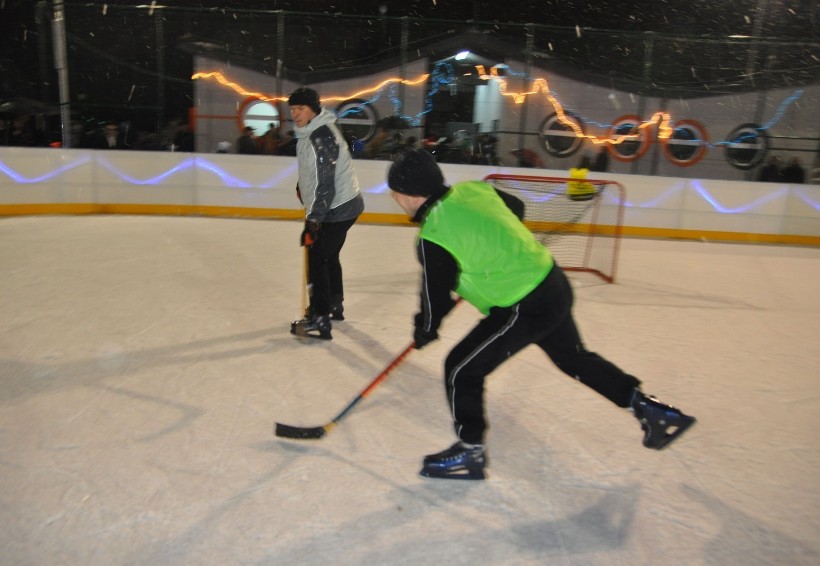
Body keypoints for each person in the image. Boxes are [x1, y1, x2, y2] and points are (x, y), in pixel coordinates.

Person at [385, 147, 696, 480]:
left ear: (410, 195)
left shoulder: (433, 235)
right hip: (552, 283)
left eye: (396, 192)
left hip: (524, 306)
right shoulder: (473, 189)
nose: (395, 198)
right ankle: (650, 409)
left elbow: (434, 297)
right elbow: (515, 208)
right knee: (574, 359)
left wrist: (425, 329)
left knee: (461, 370)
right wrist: (494, 247)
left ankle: (470, 452)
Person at [287, 87, 365, 340]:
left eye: (301, 109)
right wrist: (302, 186)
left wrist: (313, 221)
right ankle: (333, 303)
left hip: (337, 207)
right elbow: (313, 172)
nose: (296, 114)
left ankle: (320, 317)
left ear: (313, 109)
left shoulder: (321, 136)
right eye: (293, 110)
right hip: (342, 204)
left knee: (317, 257)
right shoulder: (310, 132)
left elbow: (326, 183)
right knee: (329, 256)